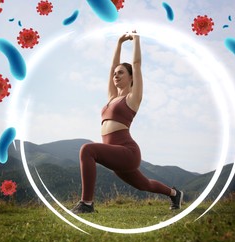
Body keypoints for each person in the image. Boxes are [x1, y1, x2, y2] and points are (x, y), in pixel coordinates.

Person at [71, 31, 183, 214]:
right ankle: (174, 193)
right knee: (144, 184)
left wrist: (136, 38)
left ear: (131, 77)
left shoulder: (133, 98)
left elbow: (137, 65)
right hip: (116, 155)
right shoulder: (111, 97)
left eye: (121, 73)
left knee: (87, 149)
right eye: (115, 74)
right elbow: (112, 67)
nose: (115, 75)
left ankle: (87, 203)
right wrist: (119, 43)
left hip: (127, 152)